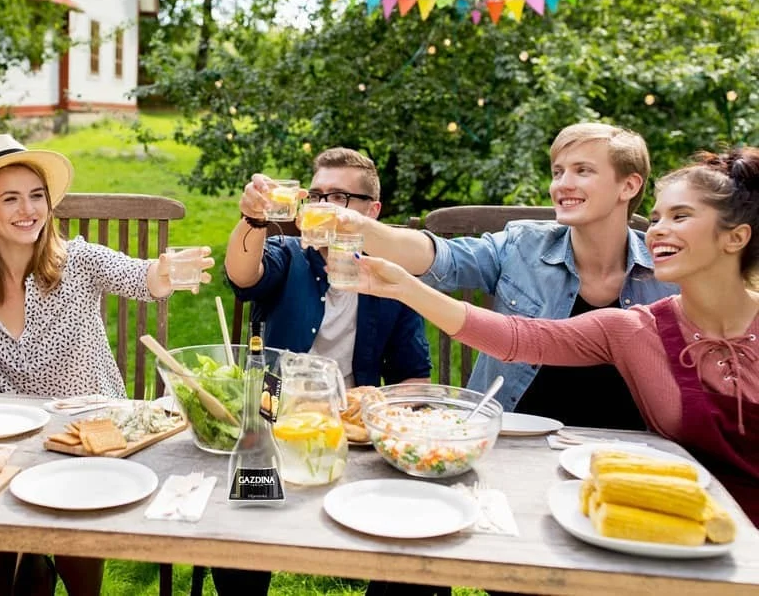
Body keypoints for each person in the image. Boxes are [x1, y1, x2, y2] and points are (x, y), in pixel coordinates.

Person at [342, 147, 759, 526]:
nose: (657, 231)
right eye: (655, 219)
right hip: (678, 522)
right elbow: (518, 337)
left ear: (736, 237)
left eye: (679, 217)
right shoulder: (632, 327)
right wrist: (403, 285)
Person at [0, 134, 215, 595]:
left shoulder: (79, 261)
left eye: (36, 197)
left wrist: (164, 273)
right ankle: (30, 571)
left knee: (75, 524)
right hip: (4, 439)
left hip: (89, 430)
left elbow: (141, 277)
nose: (27, 209)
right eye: (10, 199)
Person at [335, 123, 679, 430]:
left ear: (629, 185)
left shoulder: (669, 270)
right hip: (513, 438)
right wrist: (362, 228)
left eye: (583, 171)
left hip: (629, 447)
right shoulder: (522, 245)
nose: (562, 184)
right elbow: (440, 256)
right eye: (557, 172)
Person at [217, 147, 433, 596]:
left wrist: (373, 408)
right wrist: (253, 219)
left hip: (357, 432)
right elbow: (242, 274)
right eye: (316, 195)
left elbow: (417, 377)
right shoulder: (289, 254)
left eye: (338, 197)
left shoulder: (392, 276)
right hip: (272, 418)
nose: (322, 206)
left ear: (371, 211)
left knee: (413, 543)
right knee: (239, 531)